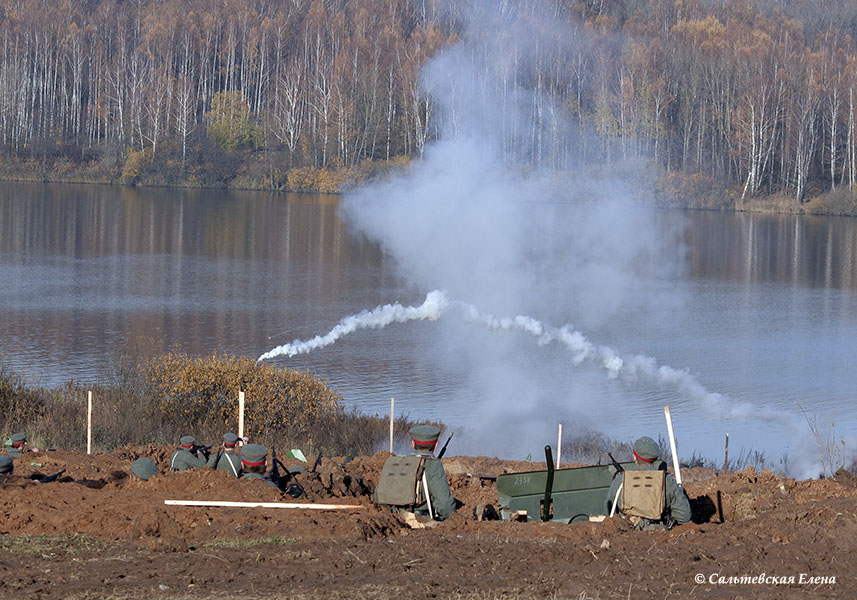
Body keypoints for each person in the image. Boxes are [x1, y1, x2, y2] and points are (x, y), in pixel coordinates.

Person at [604, 436, 691, 530]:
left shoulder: (620, 480)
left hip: (627, 532)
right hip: (658, 533)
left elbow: (608, 512)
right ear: (655, 459)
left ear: (634, 457)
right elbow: (684, 515)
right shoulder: (666, 480)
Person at [409, 424, 457, 521]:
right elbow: (445, 506)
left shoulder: (400, 462)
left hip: (396, 517)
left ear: (413, 444)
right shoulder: (434, 465)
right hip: (421, 520)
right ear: (436, 446)